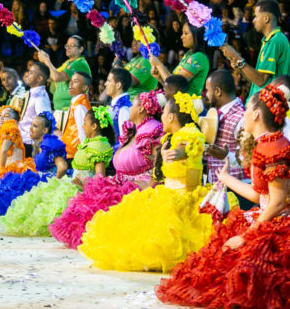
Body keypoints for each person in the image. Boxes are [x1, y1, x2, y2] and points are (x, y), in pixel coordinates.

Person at [157, 84, 290, 309]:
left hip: (285, 221)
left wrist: (247, 236)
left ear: (256, 114)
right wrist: (227, 179)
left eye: (247, 108)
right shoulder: (266, 144)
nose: (245, 114)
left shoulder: (273, 147)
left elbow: (277, 202)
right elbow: (262, 197)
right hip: (271, 214)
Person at [79, 93, 213, 273]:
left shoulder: (190, 134)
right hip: (167, 194)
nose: (161, 116)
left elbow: (186, 148)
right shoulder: (168, 138)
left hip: (186, 198)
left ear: (171, 117)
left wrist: (178, 153)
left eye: (164, 113)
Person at [50, 90, 166, 249]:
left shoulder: (152, 129)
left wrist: (151, 184)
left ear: (141, 109)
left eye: (133, 104)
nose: (130, 107)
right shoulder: (134, 130)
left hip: (138, 188)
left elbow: (160, 160)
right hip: (120, 182)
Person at [221, 0, 290, 101]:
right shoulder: (268, 40)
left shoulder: (275, 41)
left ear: (266, 18)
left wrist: (237, 57)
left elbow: (261, 80)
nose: (253, 20)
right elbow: (255, 79)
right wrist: (239, 66)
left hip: (268, 105)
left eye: (256, 16)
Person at [203, 70, 247, 185]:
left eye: (207, 90)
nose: (206, 95)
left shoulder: (241, 117)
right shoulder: (216, 113)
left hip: (237, 187)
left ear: (217, 91)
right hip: (217, 184)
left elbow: (248, 158)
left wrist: (225, 156)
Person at [149, 22, 209, 96]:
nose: (181, 37)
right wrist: (160, 78)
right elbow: (171, 86)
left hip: (188, 105)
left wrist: (158, 64)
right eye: (182, 33)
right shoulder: (188, 55)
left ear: (196, 35)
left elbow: (175, 85)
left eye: (186, 33)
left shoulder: (199, 57)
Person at [36, 35, 91, 111]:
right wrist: (43, 63)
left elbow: (57, 77)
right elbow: (52, 77)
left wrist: (47, 60)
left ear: (80, 49)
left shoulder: (79, 63)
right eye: (67, 45)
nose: (68, 48)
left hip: (71, 109)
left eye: (72, 45)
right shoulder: (68, 63)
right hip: (61, 109)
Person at [17, 62, 53, 147]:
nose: (28, 75)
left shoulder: (40, 97)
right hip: (22, 140)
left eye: (31, 73)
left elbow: (45, 122)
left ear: (39, 78)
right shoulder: (31, 93)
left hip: (30, 143)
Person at [61, 72, 92, 160]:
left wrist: (83, 154)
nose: (70, 84)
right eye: (71, 81)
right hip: (71, 151)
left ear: (84, 87)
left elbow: (83, 132)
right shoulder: (77, 103)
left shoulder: (80, 106)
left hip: (75, 153)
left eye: (75, 81)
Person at [105, 68, 132, 139]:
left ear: (118, 85)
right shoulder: (116, 105)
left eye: (109, 81)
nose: (105, 84)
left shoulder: (124, 109)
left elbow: (125, 139)